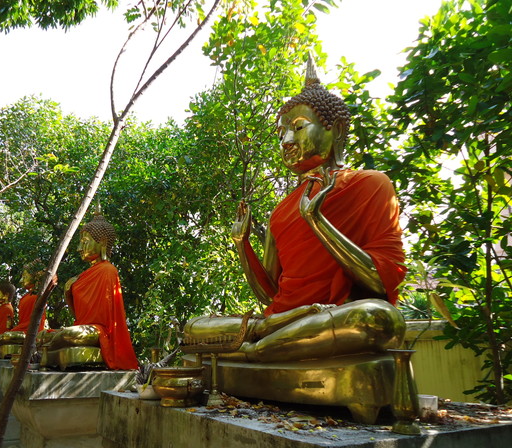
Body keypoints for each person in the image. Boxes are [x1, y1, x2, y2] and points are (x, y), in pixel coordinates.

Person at [184, 56, 407, 362]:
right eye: (281, 134)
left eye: (298, 127)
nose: (286, 140)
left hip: (332, 319)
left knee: (378, 319)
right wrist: (242, 245)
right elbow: (271, 294)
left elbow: (381, 280)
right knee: (194, 328)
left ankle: (255, 349)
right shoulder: (282, 211)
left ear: (337, 129)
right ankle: (263, 342)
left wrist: (317, 221)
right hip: (285, 322)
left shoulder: (370, 184)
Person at [45, 209, 138, 370]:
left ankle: (54, 343)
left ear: (102, 242)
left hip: (100, 331)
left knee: (69, 334)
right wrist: (68, 292)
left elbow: (109, 318)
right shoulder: (82, 276)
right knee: (43, 335)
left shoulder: (108, 271)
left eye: (85, 241)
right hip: (84, 328)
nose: (79, 248)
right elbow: (78, 316)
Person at [10, 260, 48, 333]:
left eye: (24, 276)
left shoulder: (39, 295)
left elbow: (37, 322)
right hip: (21, 330)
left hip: (34, 331)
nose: (21, 280)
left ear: (36, 276)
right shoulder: (24, 298)